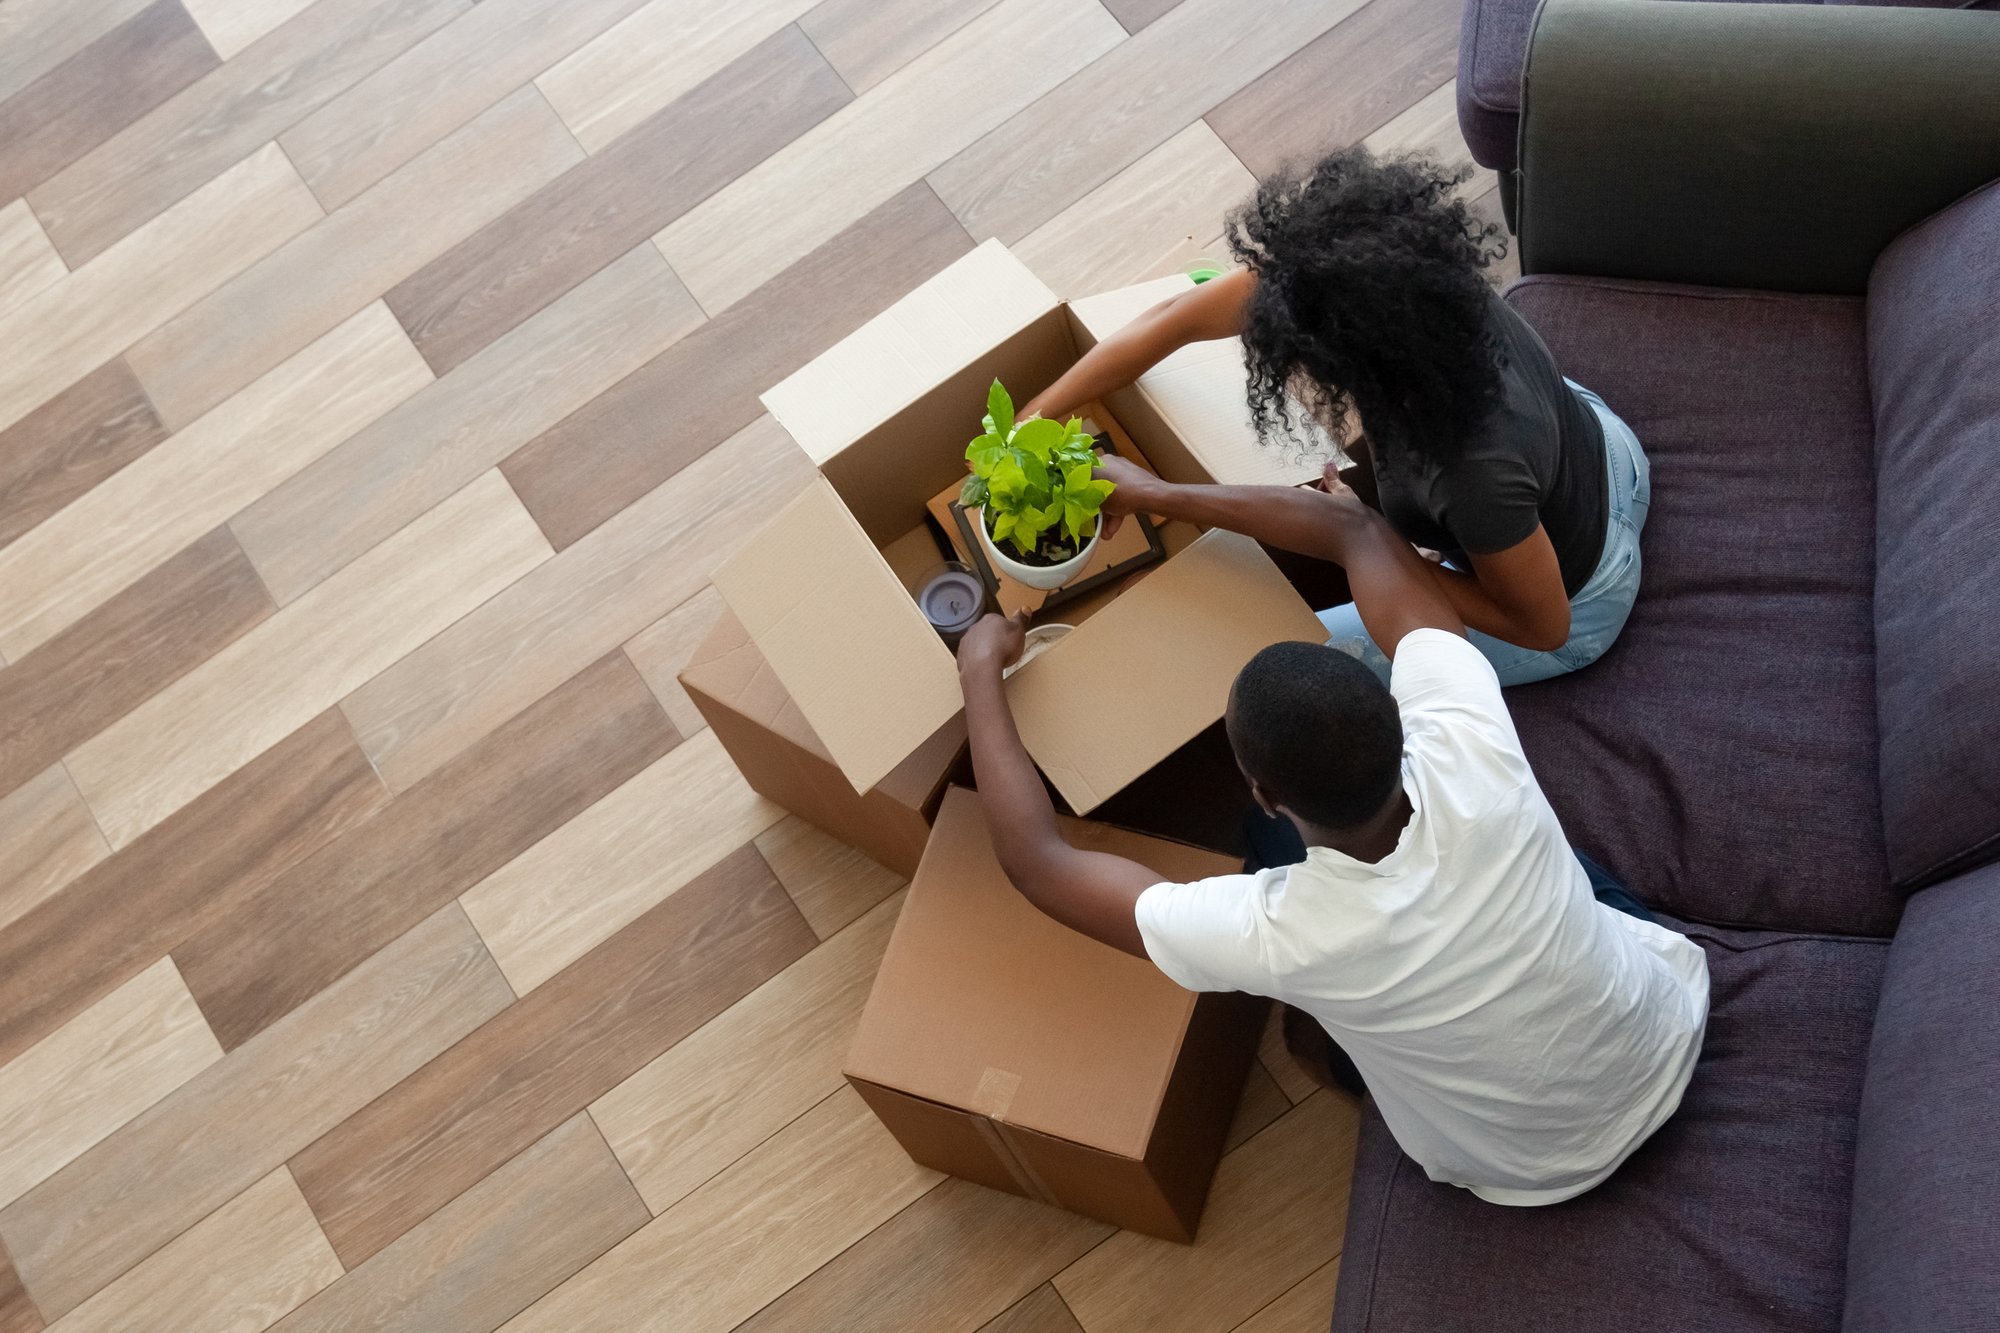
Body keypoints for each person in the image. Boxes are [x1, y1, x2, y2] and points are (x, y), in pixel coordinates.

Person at [953, 469, 1709, 1206]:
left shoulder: (1286, 934)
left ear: (1265, 789)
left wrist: (978, 670)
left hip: (1536, 1173)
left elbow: (1038, 864)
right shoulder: (1469, 735)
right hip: (1668, 1030)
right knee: (1541, 858)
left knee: (1305, 1033)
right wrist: (1159, 492)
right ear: (1399, 710)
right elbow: (1355, 530)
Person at [1025, 148, 1649, 685]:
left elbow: (1541, 625)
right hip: (1605, 447)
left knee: (1291, 655)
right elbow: (1175, 319)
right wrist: (1034, 417)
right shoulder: (1404, 273)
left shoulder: (1470, 470)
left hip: (1579, 600)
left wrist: (1376, 542)